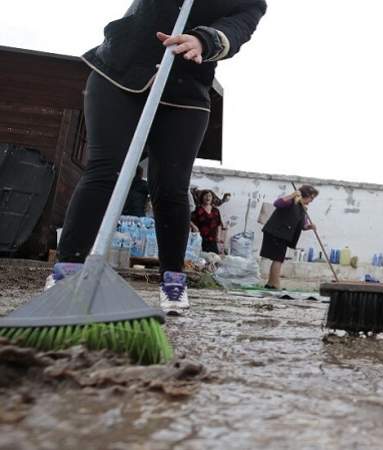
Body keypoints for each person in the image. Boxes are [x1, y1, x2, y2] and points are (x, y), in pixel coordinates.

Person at [49, 0, 267, 315]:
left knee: (170, 188)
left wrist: (203, 39)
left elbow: (236, 30)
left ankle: (173, 281)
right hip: (120, 73)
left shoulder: (251, 3)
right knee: (104, 171)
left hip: (186, 92)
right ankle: (67, 271)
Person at [260, 185, 318, 289]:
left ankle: (270, 283)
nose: (312, 201)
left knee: (278, 259)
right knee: (278, 259)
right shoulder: (291, 201)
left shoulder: (302, 208)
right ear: (306, 195)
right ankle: (275, 284)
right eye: (311, 198)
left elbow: (302, 226)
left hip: (283, 235)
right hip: (275, 232)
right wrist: (292, 195)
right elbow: (277, 203)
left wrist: (309, 226)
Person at [190, 190, 226, 254]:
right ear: (202, 198)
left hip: (212, 239)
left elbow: (219, 224)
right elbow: (188, 220)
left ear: (212, 198)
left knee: (214, 258)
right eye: (205, 195)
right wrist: (194, 226)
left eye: (209, 196)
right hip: (199, 239)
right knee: (200, 259)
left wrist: (218, 236)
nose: (208, 197)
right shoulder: (197, 210)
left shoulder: (216, 211)